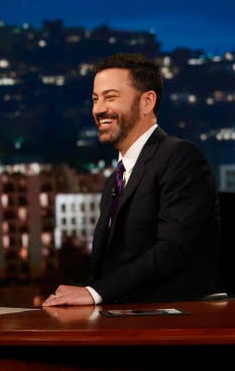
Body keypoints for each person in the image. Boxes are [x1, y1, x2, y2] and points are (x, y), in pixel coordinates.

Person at [43, 53, 221, 306]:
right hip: (119, 313)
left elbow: (172, 251)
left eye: (110, 97)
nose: (98, 109)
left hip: (170, 317)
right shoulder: (115, 180)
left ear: (147, 102)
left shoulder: (180, 157)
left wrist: (94, 293)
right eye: (95, 99)